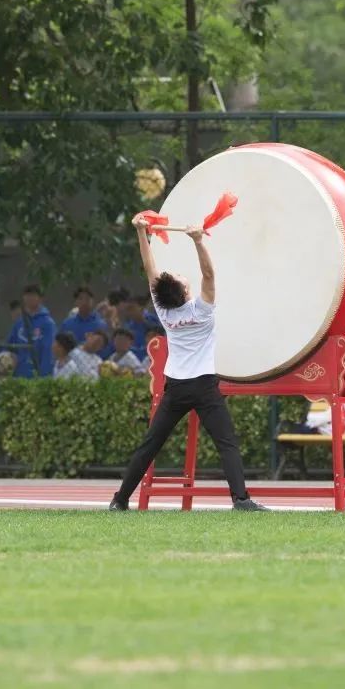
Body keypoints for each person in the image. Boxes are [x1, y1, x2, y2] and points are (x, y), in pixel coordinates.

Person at [109, 219, 266, 512]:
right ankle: (241, 500)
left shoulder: (163, 310)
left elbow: (148, 267)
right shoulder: (202, 310)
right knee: (226, 442)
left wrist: (141, 231)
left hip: (176, 387)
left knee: (151, 445)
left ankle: (119, 500)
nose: (180, 275)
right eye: (180, 277)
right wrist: (197, 240)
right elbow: (209, 273)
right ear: (184, 292)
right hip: (203, 386)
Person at [4, 284, 56, 377]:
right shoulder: (19, 322)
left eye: (33, 295)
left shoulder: (48, 323)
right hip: (18, 376)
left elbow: (48, 352)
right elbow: (9, 345)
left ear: (40, 299)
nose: (29, 298)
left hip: (37, 376)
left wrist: (44, 377)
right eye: (27, 295)